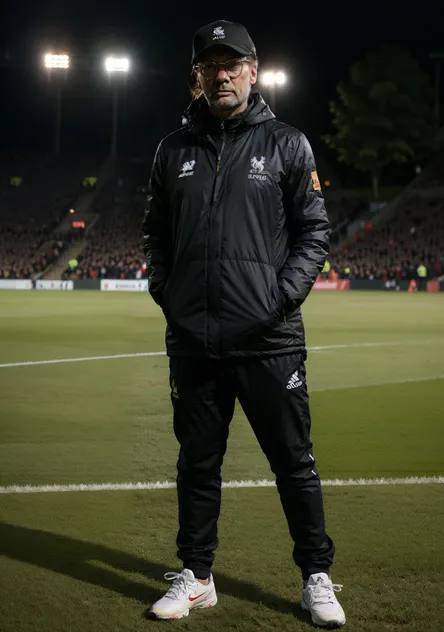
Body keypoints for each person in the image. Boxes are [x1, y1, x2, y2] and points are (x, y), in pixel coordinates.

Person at [143, 19, 345, 629]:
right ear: (196, 76)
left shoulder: (287, 143)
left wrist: (280, 300)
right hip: (195, 342)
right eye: (211, 64)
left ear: (254, 71)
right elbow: (155, 237)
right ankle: (197, 577)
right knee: (197, 465)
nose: (223, 73)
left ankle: (316, 576)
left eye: (234, 63)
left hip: (269, 340)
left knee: (294, 463)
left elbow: (315, 232)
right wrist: (167, 293)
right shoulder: (172, 150)